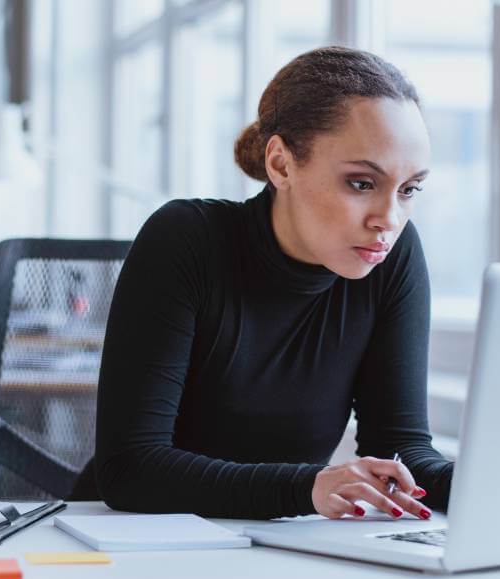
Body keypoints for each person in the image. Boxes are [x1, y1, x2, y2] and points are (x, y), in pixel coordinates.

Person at [95, 46, 453, 522]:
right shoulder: (186, 240)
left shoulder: (393, 257)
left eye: (408, 190)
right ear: (281, 164)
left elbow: (402, 453)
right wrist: (307, 488)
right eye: (362, 184)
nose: (389, 219)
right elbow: (128, 469)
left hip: (278, 550)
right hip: (135, 546)